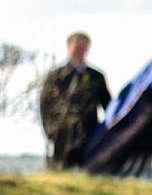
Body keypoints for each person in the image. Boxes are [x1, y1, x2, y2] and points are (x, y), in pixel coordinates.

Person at [42, 32, 112, 169]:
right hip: (61, 134)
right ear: (69, 47)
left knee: (87, 173)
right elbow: (45, 106)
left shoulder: (96, 76)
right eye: (77, 47)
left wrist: (104, 134)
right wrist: (51, 131)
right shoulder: (56, 77)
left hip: (90, 133)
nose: (80, 51)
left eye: (83, 47)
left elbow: (109, 106)